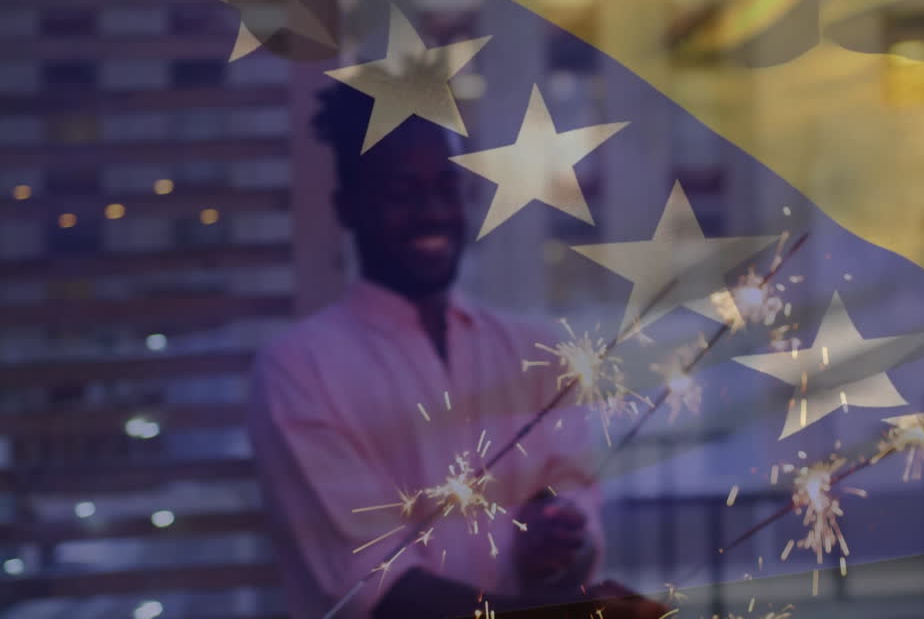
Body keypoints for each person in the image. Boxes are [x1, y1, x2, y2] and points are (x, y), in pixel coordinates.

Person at [248, 83, 666, 619]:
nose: (432, 213)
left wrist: (556, 546)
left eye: (446, 188)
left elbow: (579, 517)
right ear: (347, 206)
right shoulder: (300, 371)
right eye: (403, 192)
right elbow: (377, 589)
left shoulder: (534, 351)